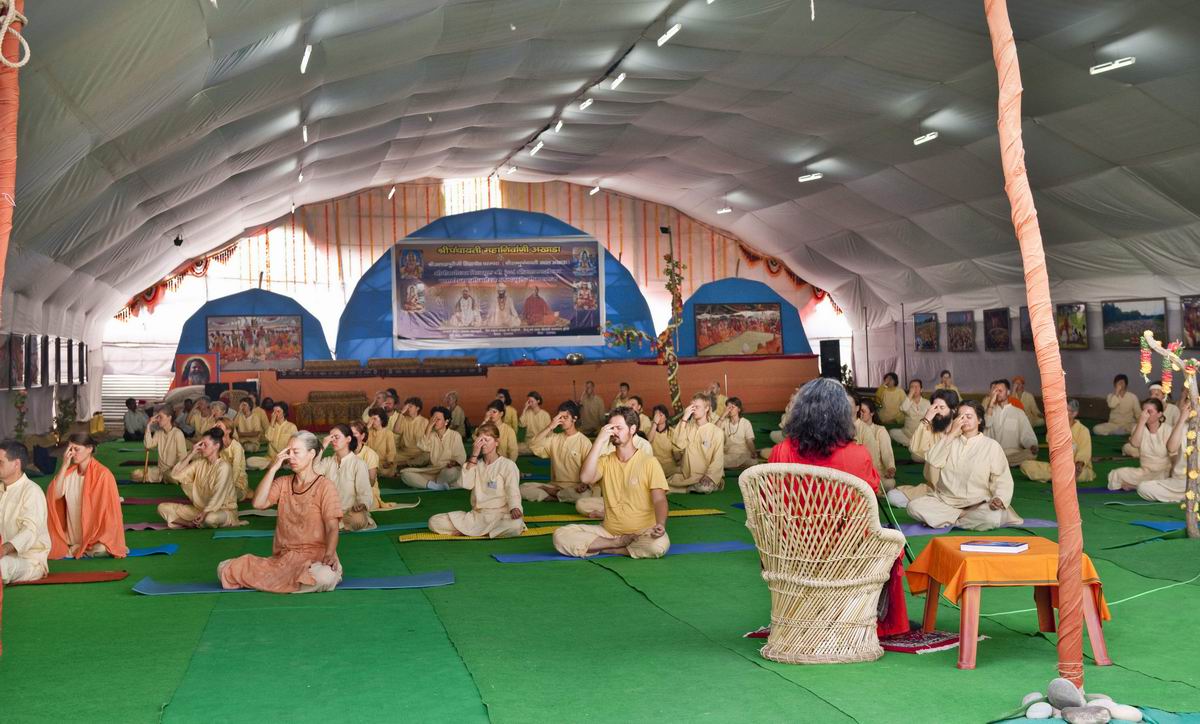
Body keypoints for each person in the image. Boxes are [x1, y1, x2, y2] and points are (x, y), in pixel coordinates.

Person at [766, 378, 908, 638]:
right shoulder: (857, 454)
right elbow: (872, 495)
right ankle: (861, 616)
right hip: (846, 553)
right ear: (844, 415)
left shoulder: (780, 452)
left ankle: (804, 612)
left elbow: (770, 502)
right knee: (893, 542)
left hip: (792, 552)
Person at [218, 432, 343, 594]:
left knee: (324, 576)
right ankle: (286, 579)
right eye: (288, 452)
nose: (290, 457)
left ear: (312, 454)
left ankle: (280, 580)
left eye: (296, 452)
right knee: (224, 569)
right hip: (285, 560)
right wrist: (274, 468)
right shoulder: (283, 483)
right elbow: (258, 503)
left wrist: (330, 553)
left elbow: (332, 527)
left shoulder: (325, 486)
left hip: (316, 559)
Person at [552, 409, 670, 559]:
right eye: (611, 428)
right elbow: (586, 478)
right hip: (609, 533)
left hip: (642, 532)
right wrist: (599, 441)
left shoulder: (649, 462)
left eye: (619, 428)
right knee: (560, 535)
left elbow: (659, 499)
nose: (614, 432)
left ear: (632, 429)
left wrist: (660, 524)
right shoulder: (605, 461)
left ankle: (607, 549)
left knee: (659, 545)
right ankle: (616, 544)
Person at [906, 400, 1022, 531]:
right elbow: (933, 460)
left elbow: (1002, 478)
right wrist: (951, 434)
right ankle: (963, 516)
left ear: (979, 420)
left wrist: (1000, 498)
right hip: (945, 501)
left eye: (969, 416)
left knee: (991, 518)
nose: (964, 420)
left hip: (977, 503)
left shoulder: (991, 446)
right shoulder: (949, 440)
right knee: (913, 506)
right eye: (960, 417)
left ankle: (947, 520)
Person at [429, 423, 525, 539]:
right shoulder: (475, 464)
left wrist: (515, 507)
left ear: (496, 442)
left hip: (500, 516)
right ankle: (483, 532)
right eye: (480, 440)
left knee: (516, 525)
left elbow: (513, 490)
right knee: (434, 521)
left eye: (486, 440)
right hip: (476, 516)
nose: (483, 444)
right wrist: (474, 454)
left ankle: (476, 533)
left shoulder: (508, 465)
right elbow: (466, 484)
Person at [45, 434, 126, 560]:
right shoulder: (68, 473)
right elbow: (54, 495)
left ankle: (85, 547)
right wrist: (64, 466)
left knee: (102, 549)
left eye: (76, 449)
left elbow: (110, 514)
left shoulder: (103, 475)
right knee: (46, 542)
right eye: (70, 449)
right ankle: (78, 547)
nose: (72, 453)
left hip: (94, 537)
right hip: (71, 537)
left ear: (89, 449)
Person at [886, 389, 959, 507]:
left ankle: (935, 505)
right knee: (893, 496)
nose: (937, 412)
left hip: (957, 490)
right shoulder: (930, 427)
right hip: (932, 489)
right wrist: (926, 419)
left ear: (953, 409)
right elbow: (915, 448)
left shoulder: (962, 430)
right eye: (935, 408)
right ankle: (933, 504)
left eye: (942, 408)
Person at [157, 429, 243, 529]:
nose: (201, 447)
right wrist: (191, 453)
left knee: (210, 518)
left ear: (216, 446)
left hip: (223, 511)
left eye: (205, 445)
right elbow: (175, 474)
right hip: (200, 510)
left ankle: (199, 521)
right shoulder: (199, 463)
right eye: (200, 444)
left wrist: (205, 513)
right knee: (162, 507)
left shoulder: (224, 466)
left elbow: (218, 494)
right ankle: (190, 524)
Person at [522, 401, 593, 502]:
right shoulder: (554, 438)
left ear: (574, 418)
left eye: (565, 417)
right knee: (523, 488)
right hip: (554, 485)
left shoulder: (584, 442)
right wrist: (550, 427)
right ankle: (556, 495)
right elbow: (533, 445)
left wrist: (585, 484)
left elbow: (591, 469)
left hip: (574, 487)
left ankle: (554, 495)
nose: (562, 420)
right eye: (560, 417)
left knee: (585, 497)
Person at [0, 441, 50, 583]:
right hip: (4, 554)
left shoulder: (32, 492)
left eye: (0, 462)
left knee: (2, 566)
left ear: (16, 464)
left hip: (29, 561)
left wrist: (3, 549)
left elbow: (30, 532)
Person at [1019, 399, 1094, 483]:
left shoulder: (1083, 430)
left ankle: (1055, 478)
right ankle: (1060, 478)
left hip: (1076, 468)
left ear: (1074, 413)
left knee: (1081, 474)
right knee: (1025, 465)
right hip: (1056, 468)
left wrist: (1078, 465)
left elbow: (1085, 452)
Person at [317, 425, 375, 531]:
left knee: (357, 520)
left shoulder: (358, 464)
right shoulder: (328, 461)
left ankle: (336, 523)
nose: (333, 440)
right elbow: (312, 473)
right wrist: (322, 447)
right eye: (331, 437)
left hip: (349, 512)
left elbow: (365, 491)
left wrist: (362, 504)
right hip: (329, 510)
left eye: (336, 437)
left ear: (348, 439)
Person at [1108, 399, 1173, 492]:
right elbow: (1134, 443)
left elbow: (1174, 455)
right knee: (1116, 474)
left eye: (1149, 412)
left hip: (1163, 472)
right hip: (1144, 472)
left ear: (1159, 414)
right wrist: (1141, 422)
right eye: (1144, 411)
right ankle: (1143, 486)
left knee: (1164, 477)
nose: (1145, 414)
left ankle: (1135, 486)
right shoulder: (1139, 427)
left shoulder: (1168, 430)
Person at [667, 391, 725, 494]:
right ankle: (690, 487)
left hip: (706, 477)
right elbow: (678, 444)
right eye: (692, 407)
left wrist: (709, 476)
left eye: (697, 407)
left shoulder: (716, 432)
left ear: (706, 408)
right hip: (687, 475)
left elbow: (718, 459)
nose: (693, 410)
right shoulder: (688, 427)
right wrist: (684, 418)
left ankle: (692, 487)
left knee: (704, 487)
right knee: (662, 485)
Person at [1135, 397, 1191, 502]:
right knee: (1144, 488)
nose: (1184, 407)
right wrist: (1181, 420)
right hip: (1180, 482)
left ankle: (1189, 496)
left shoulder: (1166, 428)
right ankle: (1189, 497)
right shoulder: (1182, 428)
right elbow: (1171, 448)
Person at [400, 406, 466, 490]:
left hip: (446, 470)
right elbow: (422, 446)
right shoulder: (431, 435)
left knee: (451, 472)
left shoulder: (455, 435)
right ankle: (436, 486)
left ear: (446, 422)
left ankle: (429, 484)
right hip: (432, 470)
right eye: (433, 419)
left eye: (438, 419)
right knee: (405, 474)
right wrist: (428, 427)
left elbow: (461, 456)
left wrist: (455, 463)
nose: (434, 422)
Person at [984, 379, 1038, 466]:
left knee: (1030, 454)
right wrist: (991, 403)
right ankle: (1001, 462)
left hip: (1013, 453)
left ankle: (1001, 463)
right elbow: (986, 424)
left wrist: (1032, 445)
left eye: (1000, 390)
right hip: (994, 453)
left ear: (1008, 392)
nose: (998, 393)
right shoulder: (990, 411)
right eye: (996, 391)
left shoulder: (1018, 412)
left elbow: (1026, 434)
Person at [134, 405, 188, 482]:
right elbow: (148, 445)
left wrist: (174, 469)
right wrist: (148, 425)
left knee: (171, 476)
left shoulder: (177, 434)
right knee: (136, 474)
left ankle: (165, 478)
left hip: (174, 471)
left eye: (160, 417)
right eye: (157, 417)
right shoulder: (158, 433)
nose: (158, 420)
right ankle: (162, 478)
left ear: (169, 418)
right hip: (160, 471)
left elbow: (182, 457)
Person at [855, 399, 896, 491]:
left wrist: (890, 467)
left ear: (872, 413)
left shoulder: (880, 430)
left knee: (890, 483)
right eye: (859, 411)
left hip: (876, 474)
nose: (860, 414)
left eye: (863, 411)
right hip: (857, 473)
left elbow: (886, 452)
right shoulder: (854, 428)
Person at [248, 403, 298, 470]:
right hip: (270, 459)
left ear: (284, 413)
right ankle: (275, 465)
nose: (275, 414)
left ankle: (277, 465)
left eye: (278, 411)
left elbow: (296, 445)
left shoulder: (292, 427)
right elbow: (268, 438)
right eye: (273, 411)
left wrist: (287, 458)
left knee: (294, 462)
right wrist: (271, 423)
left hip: (284, 459)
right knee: (249, 461)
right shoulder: (271, 426)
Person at [214, 419, 250, 500]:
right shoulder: (218, 445)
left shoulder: (236, 447)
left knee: (223, 496)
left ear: (228, 431)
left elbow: (236, 471)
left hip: (237, 484)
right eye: (215, 426)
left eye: (219, 426)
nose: (216, 428)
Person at [718, 397, 756, 469]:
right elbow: (714, 430)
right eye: (728, 407)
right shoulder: (725, 422)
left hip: (742, 454)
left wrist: (753, 453)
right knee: (717, 460)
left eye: (732, 407)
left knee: (752, 462)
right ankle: (737, 465)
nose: (730, 409)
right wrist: (723, 415)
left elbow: (749, 441)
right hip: (728, 454)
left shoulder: (745, 422)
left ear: (739, 409)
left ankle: (734, 465)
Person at [890, 379, 930, 447]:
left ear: (921, 389)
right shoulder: (907, 401)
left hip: (922, 433)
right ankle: (913, 444)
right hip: (907, 434)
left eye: (916, 387)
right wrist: (910, 394)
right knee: (892, 432)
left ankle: (913, 444)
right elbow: (903, 409)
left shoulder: (927, 402)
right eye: (912, 387)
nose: (914, 389)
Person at [394, 397, 430, 467]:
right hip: (404, 453)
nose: (408, 409)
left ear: (417, 408)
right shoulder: (404, 419)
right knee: (389, 457)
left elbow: (427, 441)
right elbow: (396, 430)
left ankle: (404, 464)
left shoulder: (424, 421)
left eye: (410, 406)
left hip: (418, 453)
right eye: (407, 407)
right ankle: (408, 464)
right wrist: (401, 413)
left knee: (427, 456)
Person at [364, 407, 398, 477]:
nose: (372, 421)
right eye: (371, 419)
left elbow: (391, 451)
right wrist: (367, 428)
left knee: (383, 471)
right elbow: (361, 445)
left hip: (382, 463)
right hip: (369, 462)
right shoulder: (369, 432)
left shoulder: (388, 433)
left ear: (381, 420)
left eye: (375, 419)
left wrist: (389, 462)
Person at [648, 404, 678, 477]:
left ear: (666, 417)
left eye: (660, 415)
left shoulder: (672, 432)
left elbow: (677, 454)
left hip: (670, 466)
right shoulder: (649, 430)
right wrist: (654, 423)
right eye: (656, 415)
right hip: (654, 466)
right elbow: (648, 441)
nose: (658, 417)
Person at [518, 391, 552, 456]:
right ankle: (535, 451)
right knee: (514, 448)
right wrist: (525, 409)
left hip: (541, 442)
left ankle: (535, 451)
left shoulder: (545, 415)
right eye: (528, 402)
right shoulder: (527, 413)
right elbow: (521, 425)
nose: (530, 403)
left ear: (538, 401)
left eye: (532, 401)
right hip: (529, 442)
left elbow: (549, 432)